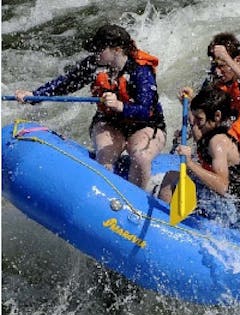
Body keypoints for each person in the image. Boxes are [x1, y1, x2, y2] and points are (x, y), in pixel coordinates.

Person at [14, 24, 166, 190]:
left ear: (116, 49)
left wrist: (120, 105)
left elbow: (146, 110)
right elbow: (66, 83)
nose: (95, 53)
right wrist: (34, 95)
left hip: (144, 125)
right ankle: (105, 196)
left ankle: (138, 201)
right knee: (105, 156)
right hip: (110, 122)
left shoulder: (141, 70)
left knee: (141, 158)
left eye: (100, 48)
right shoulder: (94, 65)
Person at [158, 86, 240, 227]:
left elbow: (223, 186)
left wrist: (189, 162)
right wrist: (187, 104)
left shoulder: (218, 142)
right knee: (185, 174)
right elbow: (200, 130)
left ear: (217, 116)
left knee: (171, 177)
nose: (197, 124)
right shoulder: (222, 128)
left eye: (200, 119)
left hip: (231, 209)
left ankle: (160, 224)